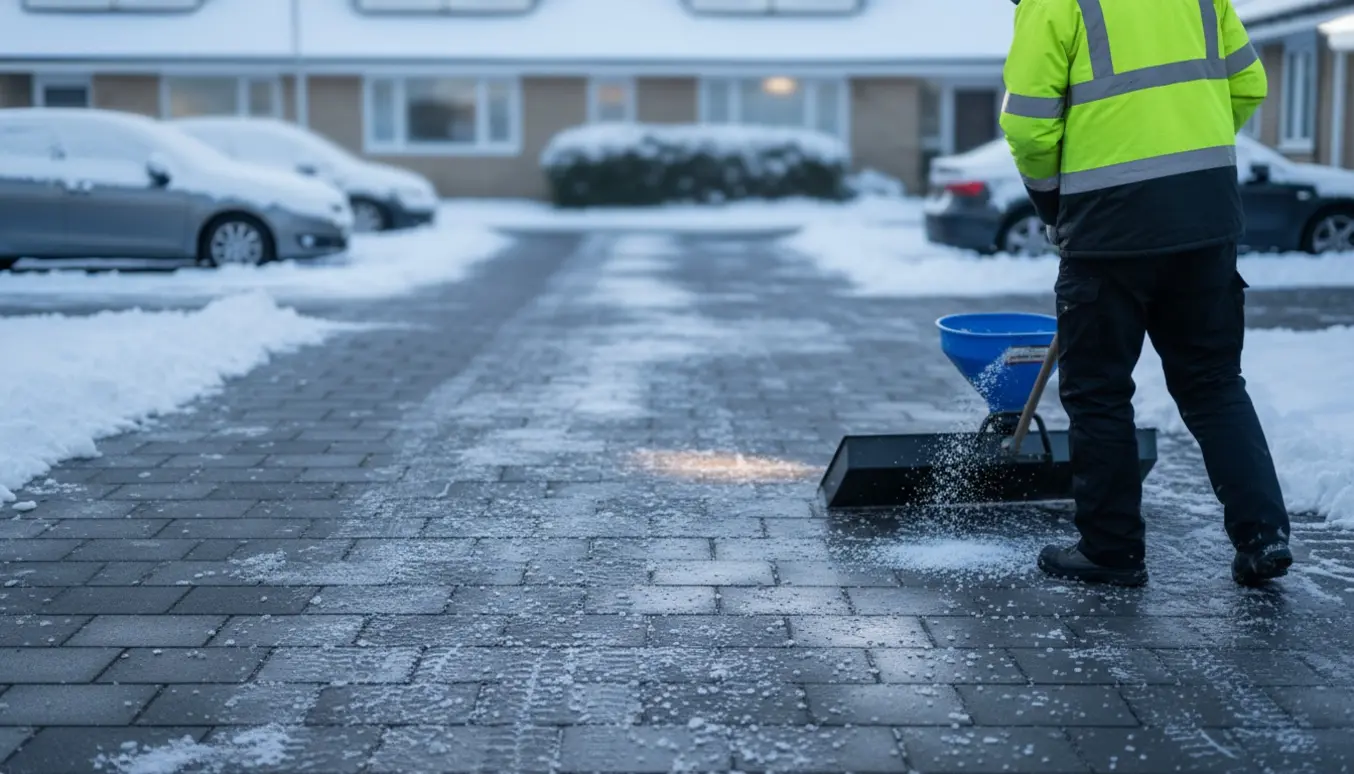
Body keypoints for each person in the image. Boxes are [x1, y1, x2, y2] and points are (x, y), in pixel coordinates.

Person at [998, 0, 1292, 587]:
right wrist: (1184, 170)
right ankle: (1263, 537)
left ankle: (1112, 550)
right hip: (1207, 222)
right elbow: (1250, 84)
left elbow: (1028, 126)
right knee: (1213, 383)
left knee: (1099, 391)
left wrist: (1053, 203)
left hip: (1110, 230)